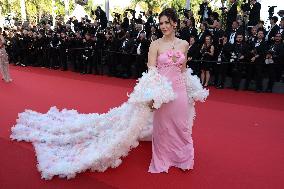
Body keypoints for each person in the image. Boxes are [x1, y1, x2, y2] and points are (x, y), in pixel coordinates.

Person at [10, 8, 208, 180]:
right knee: (163, 127)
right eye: (161, 23)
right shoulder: (155, 44)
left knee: (181, 127)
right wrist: (152, 94)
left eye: (167, 22)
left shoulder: (184, 44)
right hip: (163, 93)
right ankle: (164, 158)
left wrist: (193, 91)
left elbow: (183, 70)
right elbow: (152, 72)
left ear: (174, 23)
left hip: (179, 91)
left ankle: (183, 158)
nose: (163, 26)